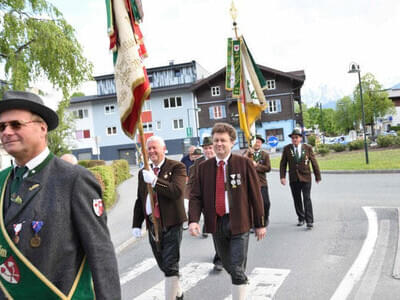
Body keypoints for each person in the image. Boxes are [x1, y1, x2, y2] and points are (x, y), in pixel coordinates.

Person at [0, 91, 120, 299]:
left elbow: (100, 253)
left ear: (42, 129)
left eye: (16, 125)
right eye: (1, 127)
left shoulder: (73, 179)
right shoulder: (2, 180)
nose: (6, 132)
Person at [189, 123, 266, 300]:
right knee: (227, 264)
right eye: (216, 140)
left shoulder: (244, 164)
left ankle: (240, 291)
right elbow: (195, 197)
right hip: (216, 223)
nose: (219, 144)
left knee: (237, 268)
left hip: (240, 222)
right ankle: (242, 284)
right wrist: (193, 220)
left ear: (232, 142)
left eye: (223, 140)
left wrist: (260, 224)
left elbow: (256, 195)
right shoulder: (203, 168)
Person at [132, 136, 187, 300]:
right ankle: (178, 291)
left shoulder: (177, 167)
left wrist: (156, 181)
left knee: (170, 264)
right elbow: (140, 199)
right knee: (163, 264)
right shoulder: (143, 172)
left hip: (171, 222)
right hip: (152, 225)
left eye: (154, 148)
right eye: (148, 149)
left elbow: (176, 191)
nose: (151, 151)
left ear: (164, 149)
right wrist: (136, 224)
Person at [187, 137, 223, 271]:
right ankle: (219, 258)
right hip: (206, 203)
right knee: (215, 230)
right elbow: (192, 183)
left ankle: (226, 253)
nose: (208, 151)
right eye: (206, 148)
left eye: (210, 147)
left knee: (226, 230)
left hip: (223, 201)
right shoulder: (198, 163)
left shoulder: (223, 160)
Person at [280, 129, 321, 229]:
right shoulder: (287, 149)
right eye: (293, 138)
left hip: (306, 177)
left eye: (296, 137)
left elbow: (314, 162)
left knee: (307, 198)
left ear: (300, 138)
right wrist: (282, 177)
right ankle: (301, 218)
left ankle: (309, 221)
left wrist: (317, 175)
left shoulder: (307, 148)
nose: (294, 139)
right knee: (297, 199)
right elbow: (283, 164)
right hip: (294, 178)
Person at [243, 134, 271, 226]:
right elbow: (241, 163)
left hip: (261, 182)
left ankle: (265, 218)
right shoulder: (247, 153)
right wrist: (247, 153)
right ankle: (252, 223)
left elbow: (268, 168)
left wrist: (257, 166)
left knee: (266, 203)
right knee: (251, 204)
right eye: (255, 142)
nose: (257, 144)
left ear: (261, 144)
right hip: (249, 183)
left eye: (259, 142)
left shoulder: (265, 154)